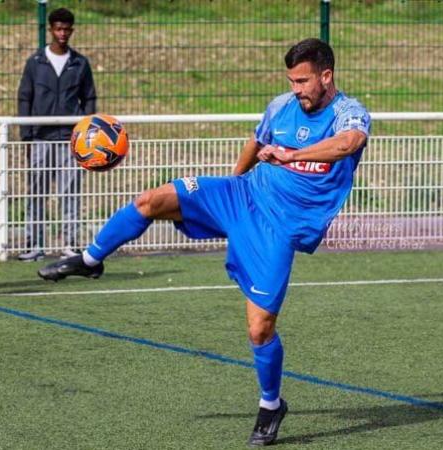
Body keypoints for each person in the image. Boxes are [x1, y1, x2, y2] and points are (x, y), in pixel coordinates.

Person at [38, 38, 371, 446]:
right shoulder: (280, 106)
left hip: (280, 227)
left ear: (326, 76)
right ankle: (90, 259)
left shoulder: (348, 113)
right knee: (151, 200)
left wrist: (289, 155)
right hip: (242, 196)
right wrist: (235, 179)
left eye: (303, 81)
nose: (297, 89)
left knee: (259, 329)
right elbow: (256, 140)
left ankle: (271, 405)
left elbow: (348, 144)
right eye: (291, 81)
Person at [17, 7, 97, 261]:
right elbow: (24, 98)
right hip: (41, 138)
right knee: (37, 192)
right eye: (58, 29)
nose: (62, 33)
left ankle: (70, 243)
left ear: (72, 31)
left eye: (67, 29)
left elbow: (89, 99)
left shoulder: (80, 63)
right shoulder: (35, 62)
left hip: (70, 140)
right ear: (50, 29)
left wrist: (87, 135)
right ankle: (34, 244)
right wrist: (26, 136)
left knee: (70, 192)